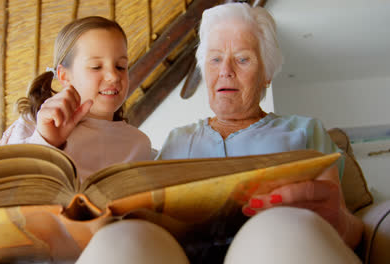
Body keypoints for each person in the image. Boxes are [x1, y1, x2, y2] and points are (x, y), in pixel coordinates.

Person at [77, 3, 363, 264]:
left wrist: (339, 222)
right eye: (215, 60)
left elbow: (349, 228)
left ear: (266, 73)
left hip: (275, 249)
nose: (225, 71)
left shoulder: (304, 131)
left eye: (242, 59)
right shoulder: (177, 139)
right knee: (119, 238)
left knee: (277, 229)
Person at [0, 16, 152, 182]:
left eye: (121, 66)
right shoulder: (33, 124)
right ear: (64, 76)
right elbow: (5, 189)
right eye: (96, 67)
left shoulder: (138, 145)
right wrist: (47, 141)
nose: (114, 76)